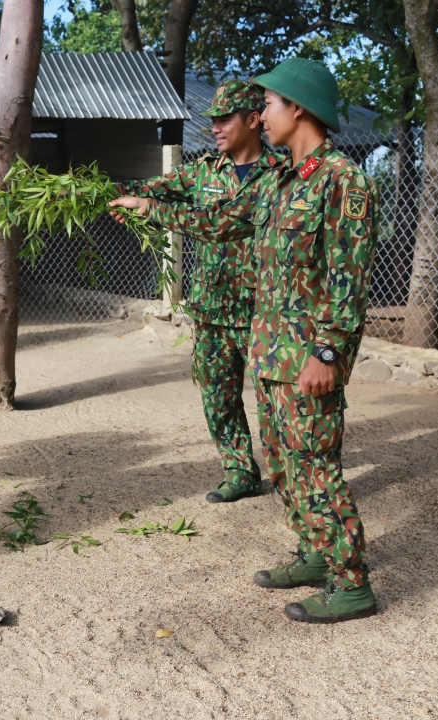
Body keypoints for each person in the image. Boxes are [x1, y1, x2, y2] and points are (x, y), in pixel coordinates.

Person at [108, 81, 282, 505]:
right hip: (211, 309)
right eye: (214, 121)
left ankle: (285, 478)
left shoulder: (280, 175)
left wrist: (149, 207)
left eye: (224, 119)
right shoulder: (203, 171)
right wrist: (110, 194)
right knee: (218, 397)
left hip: (263, 311)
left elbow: (220, 222)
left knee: (274, 405)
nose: (216, 128)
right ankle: (239, 471)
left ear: (254, 120)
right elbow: (151, 188)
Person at [248, 58, 379, 623]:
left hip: (309, 356)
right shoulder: (282, 181)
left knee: (316, 465)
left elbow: (349, 275)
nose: (261, 116)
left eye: (268, 104)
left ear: (297, 107)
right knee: (281, 461)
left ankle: (352, 583)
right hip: (273, 353)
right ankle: (313, 554)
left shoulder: (343, 180)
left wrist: (327, 352)